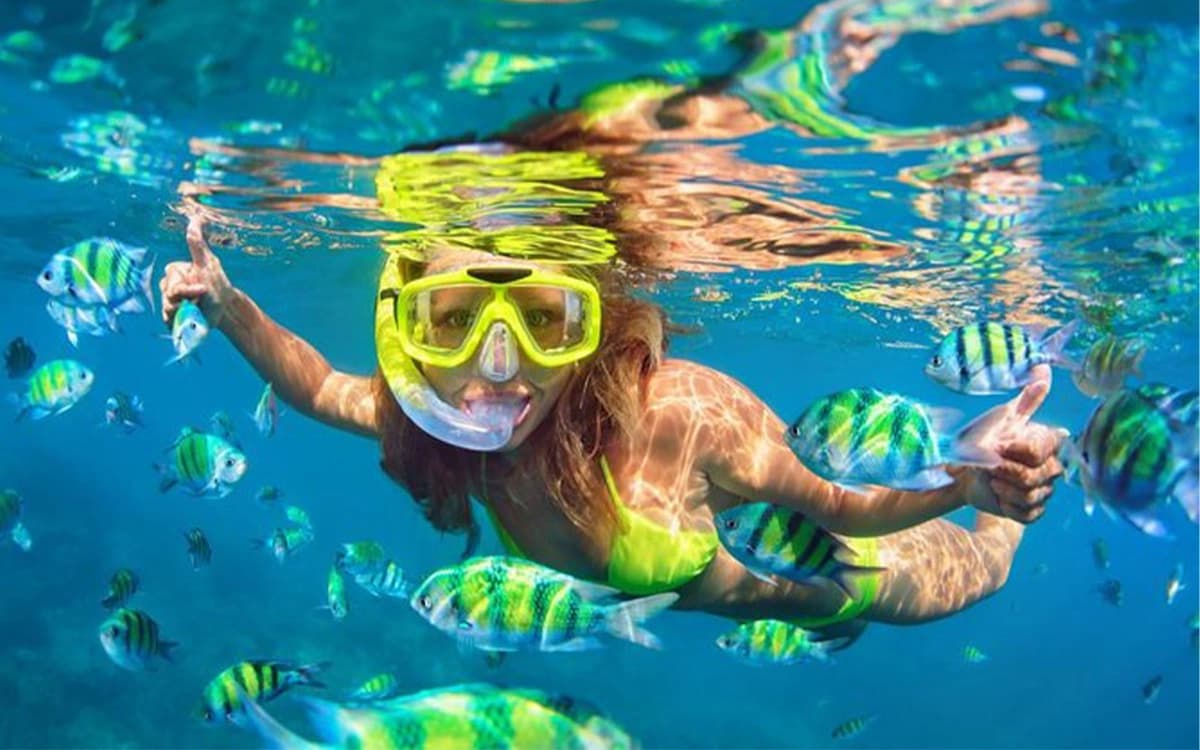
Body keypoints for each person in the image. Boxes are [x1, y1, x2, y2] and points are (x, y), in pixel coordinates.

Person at [161, 0, 1066, 639]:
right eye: (453, 321)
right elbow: (316, 384)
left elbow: (843, 504)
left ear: (592, 327)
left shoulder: (674, 411)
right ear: (405, 327)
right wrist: (228, 302)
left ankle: (1010, 481)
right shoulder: (425, 423)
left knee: (980, 572)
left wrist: (968, 489)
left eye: (547, 320)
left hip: (841, 578)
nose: (500, 366)